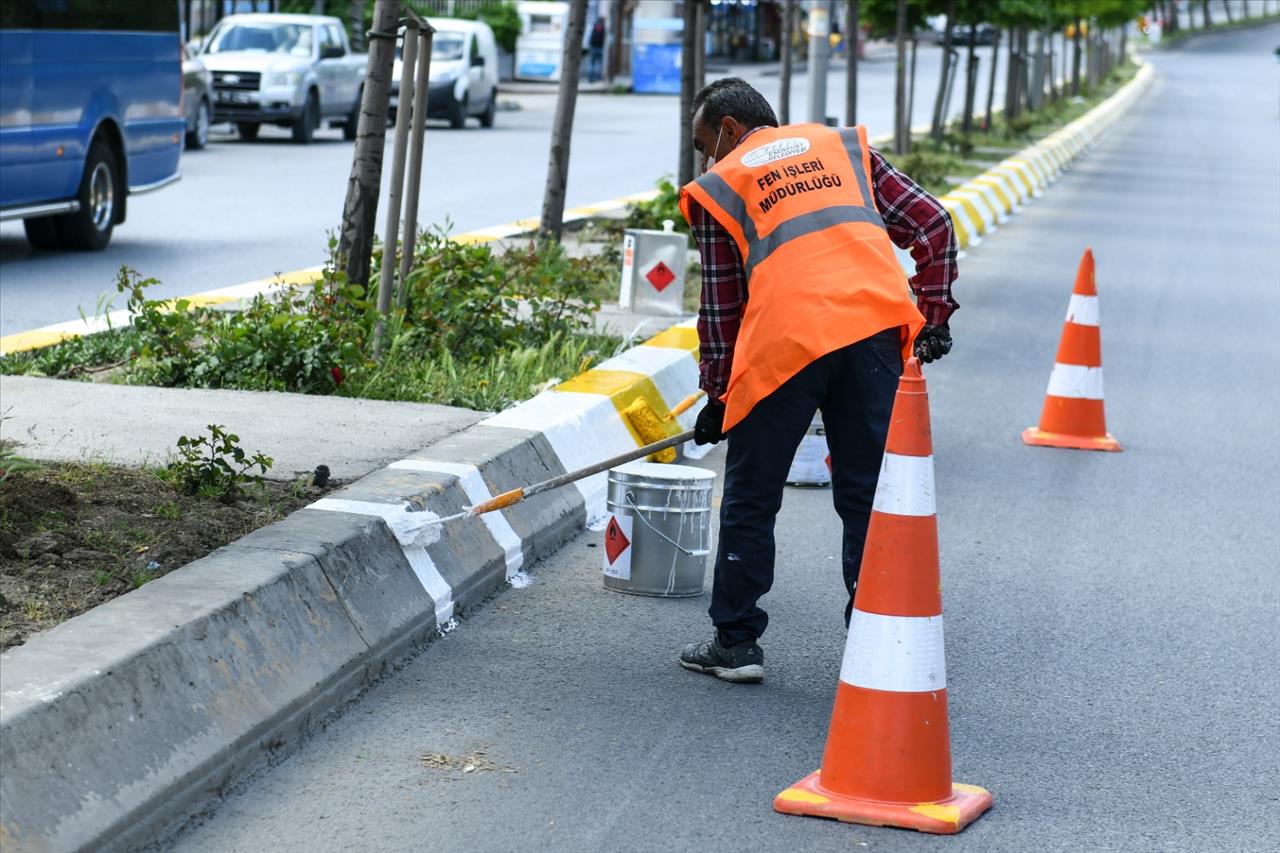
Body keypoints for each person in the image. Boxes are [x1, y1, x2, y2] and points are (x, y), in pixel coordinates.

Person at [676, 78, 958, 684]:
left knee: (753, 494)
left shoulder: (721, 185)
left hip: (786, 344)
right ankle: (875, 639)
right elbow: (934, 223)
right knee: (867, 498)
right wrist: (932, 317)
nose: (705, 160)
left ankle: (737, 643)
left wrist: (718, 394)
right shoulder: (842, 149)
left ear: (728, 129)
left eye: (705, 144)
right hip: (873, 330)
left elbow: (722, 310)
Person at [587, 17, 606, 83]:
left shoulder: (594, 26)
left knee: (591, 63)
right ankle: (598, 77)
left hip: (593, 47)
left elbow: (590, 36)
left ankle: (590, 77)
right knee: (599, 63)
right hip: (600, 47)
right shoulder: (603, 27)